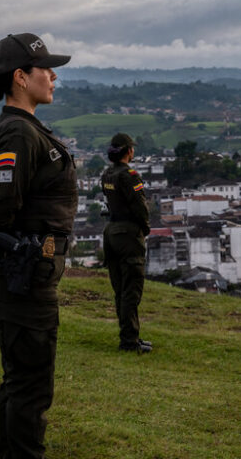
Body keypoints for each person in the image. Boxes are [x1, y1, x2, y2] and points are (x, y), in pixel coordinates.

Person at [0, 33, 76, 459]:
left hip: (21, 273)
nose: (53, 76)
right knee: (31, 386)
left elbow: (2, 213)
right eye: (45, 69)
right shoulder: (18, 135)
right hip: (21, 278)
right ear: (21, 78)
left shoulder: (23, 129)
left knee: (19, 380)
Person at [101, 133, 152, 353]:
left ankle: (130, 335)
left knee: (120, 288)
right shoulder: (130, 176)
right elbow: (140, 207)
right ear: (128, 151)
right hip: (128, 234)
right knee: (131, 288)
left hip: (111, 232)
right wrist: (145, 227)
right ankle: (129, 341)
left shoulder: (107, 174)